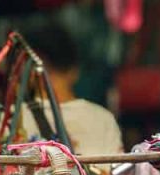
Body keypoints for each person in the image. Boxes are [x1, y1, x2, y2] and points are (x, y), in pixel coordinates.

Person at [19, 19, 123, 154]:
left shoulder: (11, 120)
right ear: (75, 71)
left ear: (29, 70)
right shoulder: (103, 119)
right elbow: (114, 174)